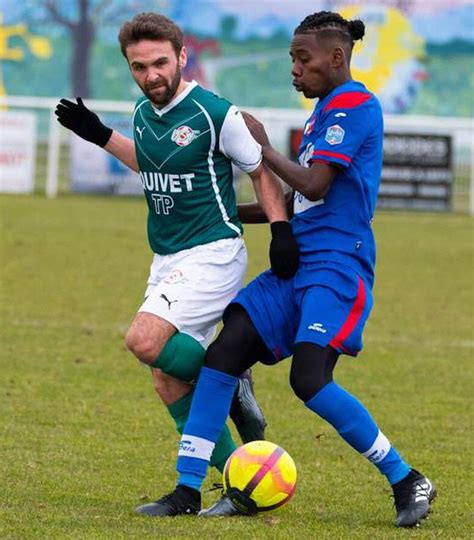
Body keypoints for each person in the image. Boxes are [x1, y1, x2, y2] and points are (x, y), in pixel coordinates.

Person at [146, 11, 437, 528]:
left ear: (337, 57)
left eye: (303, 59)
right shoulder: (323, 111)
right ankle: (188, 489)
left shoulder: (356, 106)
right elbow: (292, 198)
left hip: (336, 266)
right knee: (222, 355)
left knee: (309, 379)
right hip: (296, 264)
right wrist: (219, 210)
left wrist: (260, 145)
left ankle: (405, 478)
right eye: (291, 60)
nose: (295, 70)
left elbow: (316, 184)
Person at [54, 12, 299, 495]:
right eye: (139, 67)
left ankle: (228, 373)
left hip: (212, 250)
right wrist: (100, 134)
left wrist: (280, 230)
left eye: (160, 63)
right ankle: (241, 476)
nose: (151, 76)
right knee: (166, 379)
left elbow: (259, 172)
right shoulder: (144, 114)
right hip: (167, 257)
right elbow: (149, 165)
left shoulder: (214, 113)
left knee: (144, 340)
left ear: (182, 57)